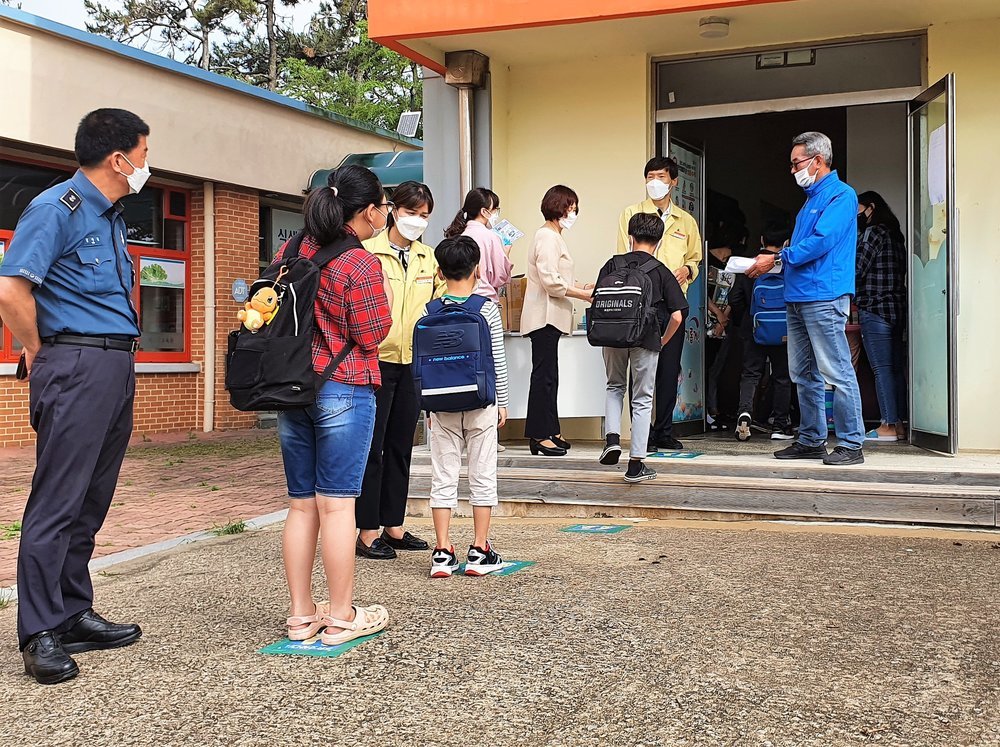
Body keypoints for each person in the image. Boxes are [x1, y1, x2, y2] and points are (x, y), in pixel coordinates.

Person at [0, 109, 148, 685]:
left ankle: (70, 611)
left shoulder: (108, 216)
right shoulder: (55, 207)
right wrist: (38, 350)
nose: (144, 166)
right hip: (75, 360)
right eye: (141, 154)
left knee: (91, 496)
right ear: (118, 159)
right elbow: (12, 289)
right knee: (58, 498)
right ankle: (39, 630)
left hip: (113, 362)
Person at [275, 165, 393, 647]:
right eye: (384, 206)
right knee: (339, 505)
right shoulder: (360, 263)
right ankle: (342, 616)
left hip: (291, 387)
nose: (386, 214)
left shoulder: (291, 249)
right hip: (344, 386)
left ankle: (302, 615)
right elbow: (372, 333)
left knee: (302, 506)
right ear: (367, 211)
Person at [747, 132, 864, 466]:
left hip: (824, 295)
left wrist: (778, 259)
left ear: (818, 160)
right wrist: (777, 261)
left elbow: (821, 242)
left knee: (836, 370)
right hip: (797, 296)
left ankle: (851, 443)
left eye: (796, 162)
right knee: (803, 372)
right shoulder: (810, 201)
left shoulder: (841, 196)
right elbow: (801, 248)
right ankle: (812, 439)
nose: (793, 169)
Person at [356, 181, 445, 560]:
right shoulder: (368, 252)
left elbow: (441, 302)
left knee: (400, 447)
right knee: (371, 448)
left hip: (413, 363)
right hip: (375, 360)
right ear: (393, 210)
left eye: (424, 216)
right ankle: (366, 530)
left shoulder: (428, 258)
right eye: (411, 213)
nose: (417, 221)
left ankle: (394, 525)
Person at [425, 236, 510, 577]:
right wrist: (502, 402)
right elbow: (498, 361)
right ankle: (479, 549)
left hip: (441, 405)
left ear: (440, 271)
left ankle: (443, 552)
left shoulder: (429, 311)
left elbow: (425, 365)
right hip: (480, 402)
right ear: (477, 269)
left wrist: (427, 409)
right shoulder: (486, 309)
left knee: (443, 476)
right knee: (483, 473)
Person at [617, 156, 702, 452]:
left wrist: (687, 270)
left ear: (674, 181)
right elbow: (623, 255)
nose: (655, 181)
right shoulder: (632, 213)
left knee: (668, 367)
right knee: (639, 367)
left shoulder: (686, 221)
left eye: (661, 176)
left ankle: (664, 430)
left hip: (673, 301)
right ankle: (642, 432)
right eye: (650, 176)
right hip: (640, 302)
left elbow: (695, 259)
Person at [598, 213, 686, 483]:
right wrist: (663, 341)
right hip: (646, 338)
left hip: (612, 336)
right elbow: (677, 316)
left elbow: (597, 300)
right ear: (658, 242)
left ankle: (612, 439)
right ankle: (636, 465)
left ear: (630, 237)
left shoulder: (611, 265)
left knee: (614, 386)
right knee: (642, 397)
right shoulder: (660, 271)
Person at [520, 185, 594, 456]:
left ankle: (551, 429)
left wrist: (583, 287)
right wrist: (583, 293)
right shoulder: (547, 237)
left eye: (574, 208)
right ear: (557, 207)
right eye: (570, 207)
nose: (573, 213)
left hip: (551, 317)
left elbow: (557, 278)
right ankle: (540, 435)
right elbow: (551, 281)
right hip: (544, 317)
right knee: (544, 378)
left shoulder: (553, 236)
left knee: (550, 376)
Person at [729, 222, 794, 441]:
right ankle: (780, 425)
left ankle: (744, 412)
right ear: (786, 243)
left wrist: (746, 321)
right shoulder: (788, 266)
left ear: (762, 241)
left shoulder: (750, 265)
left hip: (753, 328)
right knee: (782, 378)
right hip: (784, 331)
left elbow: (734, 299)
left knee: (750, 374)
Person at [856, 191, 908, 442]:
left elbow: (858, 269)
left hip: (875, 308)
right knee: (895, 369)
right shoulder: (896, 236)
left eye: (859, 209)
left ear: (871, 208)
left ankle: (887, 424)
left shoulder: (872, 233)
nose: (857, 215)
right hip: (897, 309)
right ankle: (898, 424)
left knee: (882, 369)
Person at [443, 187, 512, 304]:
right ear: (484, 211)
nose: (496, 213)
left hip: (459, 300)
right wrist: (506, 253)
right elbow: (500, 278)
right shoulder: (491, 237)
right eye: (495, 209)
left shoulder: (459, 235)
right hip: (484, 302)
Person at [704, 223, 737, 428]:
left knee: (716, 370)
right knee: (708, 369)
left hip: (722, 325)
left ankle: (714, 410)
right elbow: (701, 294)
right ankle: (708, 411)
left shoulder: (729, 267)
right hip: (706, 324)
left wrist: (723, 319)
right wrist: (719, 315)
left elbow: (734, 294)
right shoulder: (705, 263)